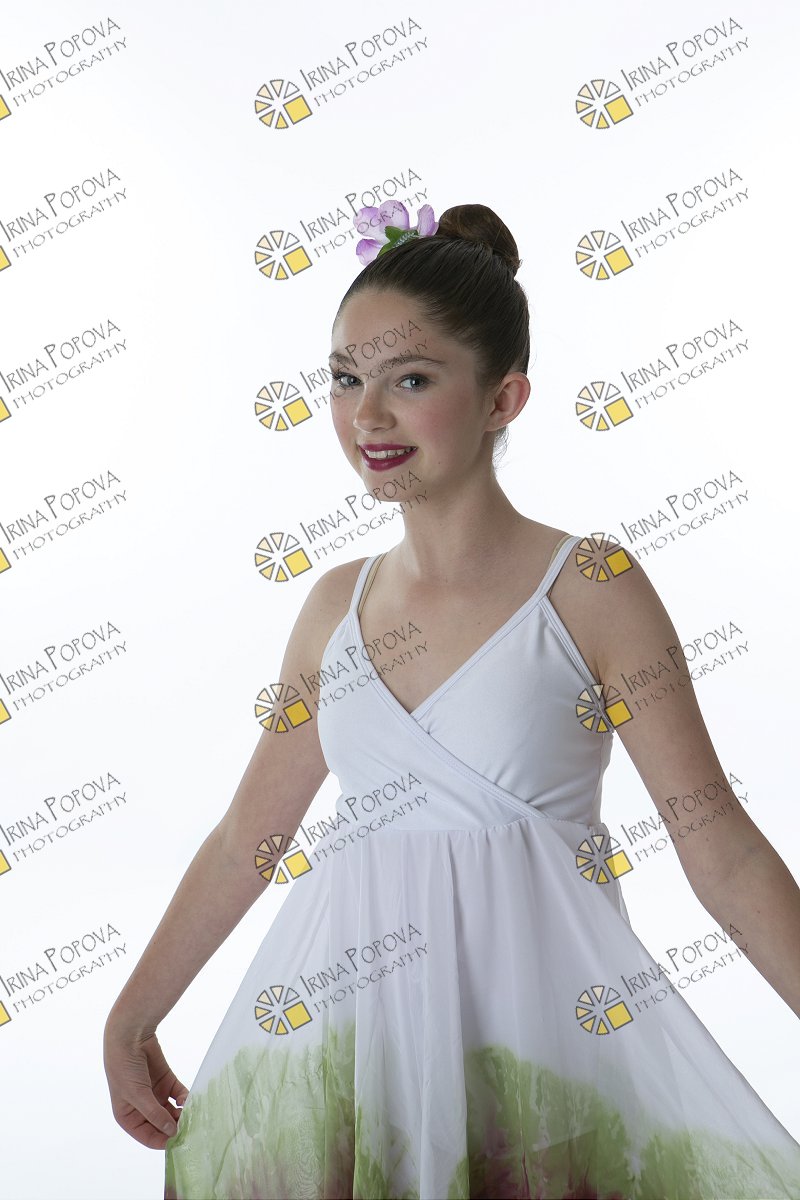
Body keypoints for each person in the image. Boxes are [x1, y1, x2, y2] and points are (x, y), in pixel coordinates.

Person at [103, 201, 800, 1200]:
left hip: (542, 1054)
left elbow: (718, 845)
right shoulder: (332, 608)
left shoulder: (588, 588)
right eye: (345, 380)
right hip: (362, 1050)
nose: (367, 418)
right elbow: (246, 841)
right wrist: (131, 1016)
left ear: (502, 399)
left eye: (412, 380)